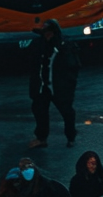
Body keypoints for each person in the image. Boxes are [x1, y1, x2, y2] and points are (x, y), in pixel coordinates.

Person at [28, 19, 79, 149]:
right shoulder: (38, 45)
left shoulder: (64, 46)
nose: (47, 36)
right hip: (42, 87)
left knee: (67, 112)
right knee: (40, 112)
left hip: (59, 88)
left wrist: (68, 86)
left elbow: (73, 66)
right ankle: (41, 138)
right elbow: (32, 65)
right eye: (45, 33)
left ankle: (71, 136)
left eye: (49, 33)